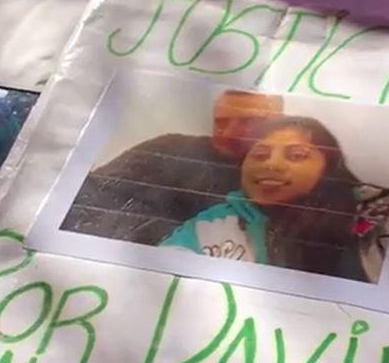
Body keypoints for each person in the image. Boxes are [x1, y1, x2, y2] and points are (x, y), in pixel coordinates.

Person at [60, 89, 283, 246]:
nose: (229, 133)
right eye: (221, 122)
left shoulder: (287, 179)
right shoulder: (171, 148)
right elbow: (94, 192)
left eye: (248, 121)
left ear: (278, 121)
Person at [160, 115, 369, 281]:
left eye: (296, 155)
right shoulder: (211, 224)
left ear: (329, 167)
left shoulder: (370, 216)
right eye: (260, 155)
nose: (271, 164)